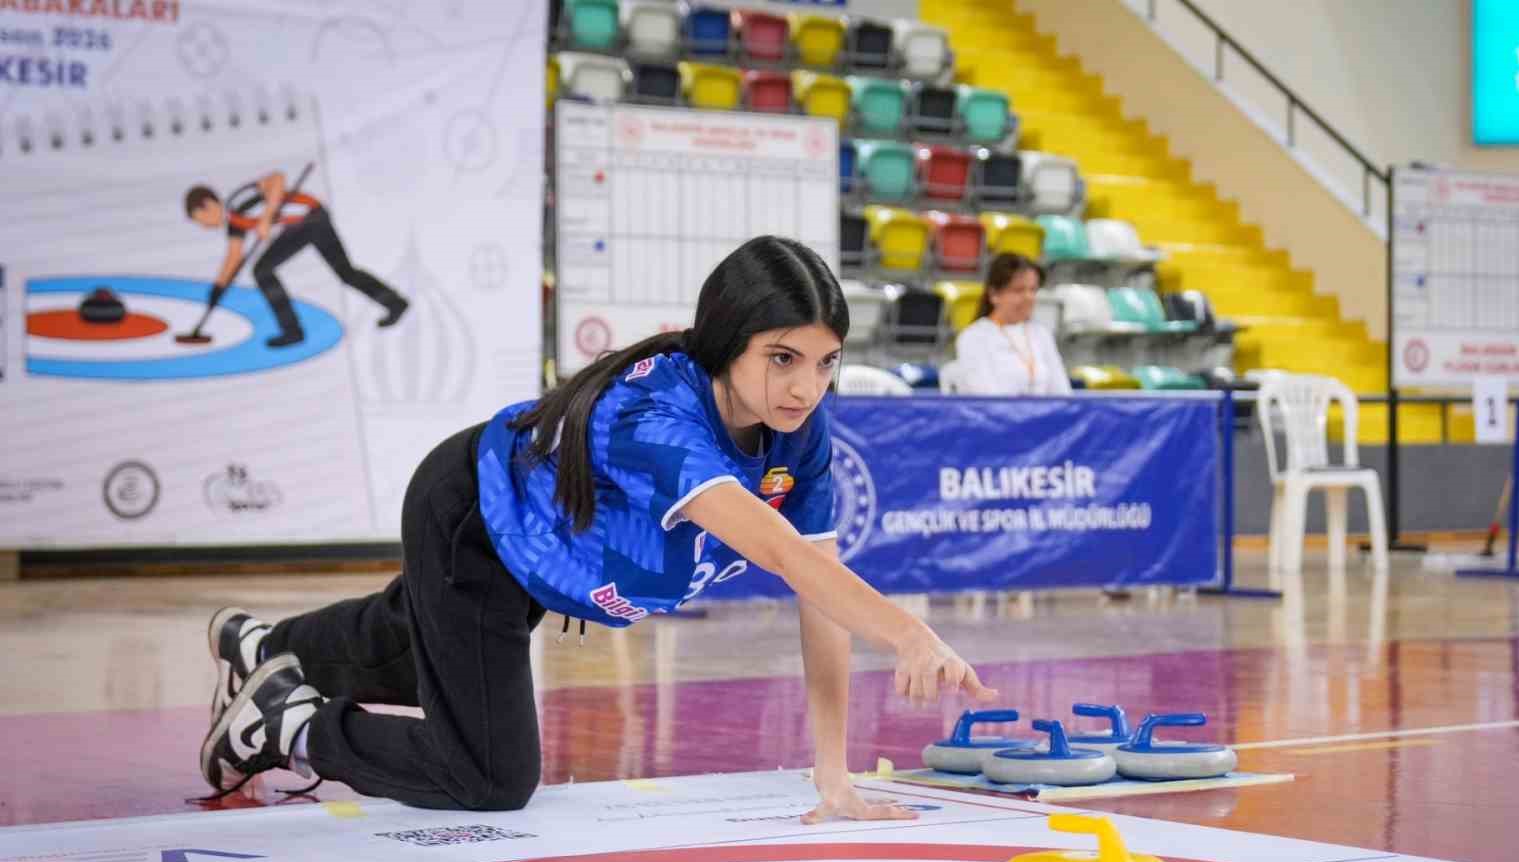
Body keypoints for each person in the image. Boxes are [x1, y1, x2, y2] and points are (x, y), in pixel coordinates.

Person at [199, 236, 998, 824]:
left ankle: (264, 649)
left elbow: (820, 597)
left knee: (408, 656)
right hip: (474, 516)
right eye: (783, 358)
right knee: (488, 774)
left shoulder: (800, 433)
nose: (807, 387)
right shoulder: (661, 416)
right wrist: (908, 632)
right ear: (728, 342)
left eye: (826, 362)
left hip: (535, 554)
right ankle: (288, 726)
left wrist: (835, 773)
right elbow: (784, 555)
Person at [184, 171, 408, 347]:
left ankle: (292, 331)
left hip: (308, 217)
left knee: (262, 271)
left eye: (200, 218)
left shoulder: (239, 201)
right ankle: (396, 303)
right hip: (312, 220)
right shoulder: (234, 222)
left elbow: (277, 179)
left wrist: (266, 218)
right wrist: (217, 290)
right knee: (345, 272)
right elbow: (233, 258)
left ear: (209, 205)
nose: (203, 225)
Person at [951, 253, 1071, 396]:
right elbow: (985, 398)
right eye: (1018, 290)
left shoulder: (1041, 334)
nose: (1028, 297)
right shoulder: (973, 337)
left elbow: (1062, 393)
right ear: (994, 294)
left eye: (1033, 289)